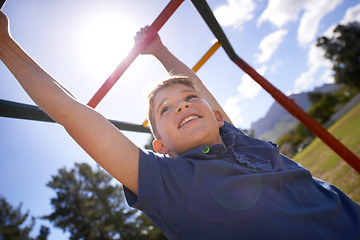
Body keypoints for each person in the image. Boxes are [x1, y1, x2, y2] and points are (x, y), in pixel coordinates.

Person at [1, 11, 359, 240]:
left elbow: (193, 84)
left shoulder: (235, 138)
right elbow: (71, 112)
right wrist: (5, 45)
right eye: (165, 109)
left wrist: (158, 50)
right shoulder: (170, 183)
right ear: (161, 147)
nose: (183, 105)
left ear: (216, 114)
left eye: (189, 100)